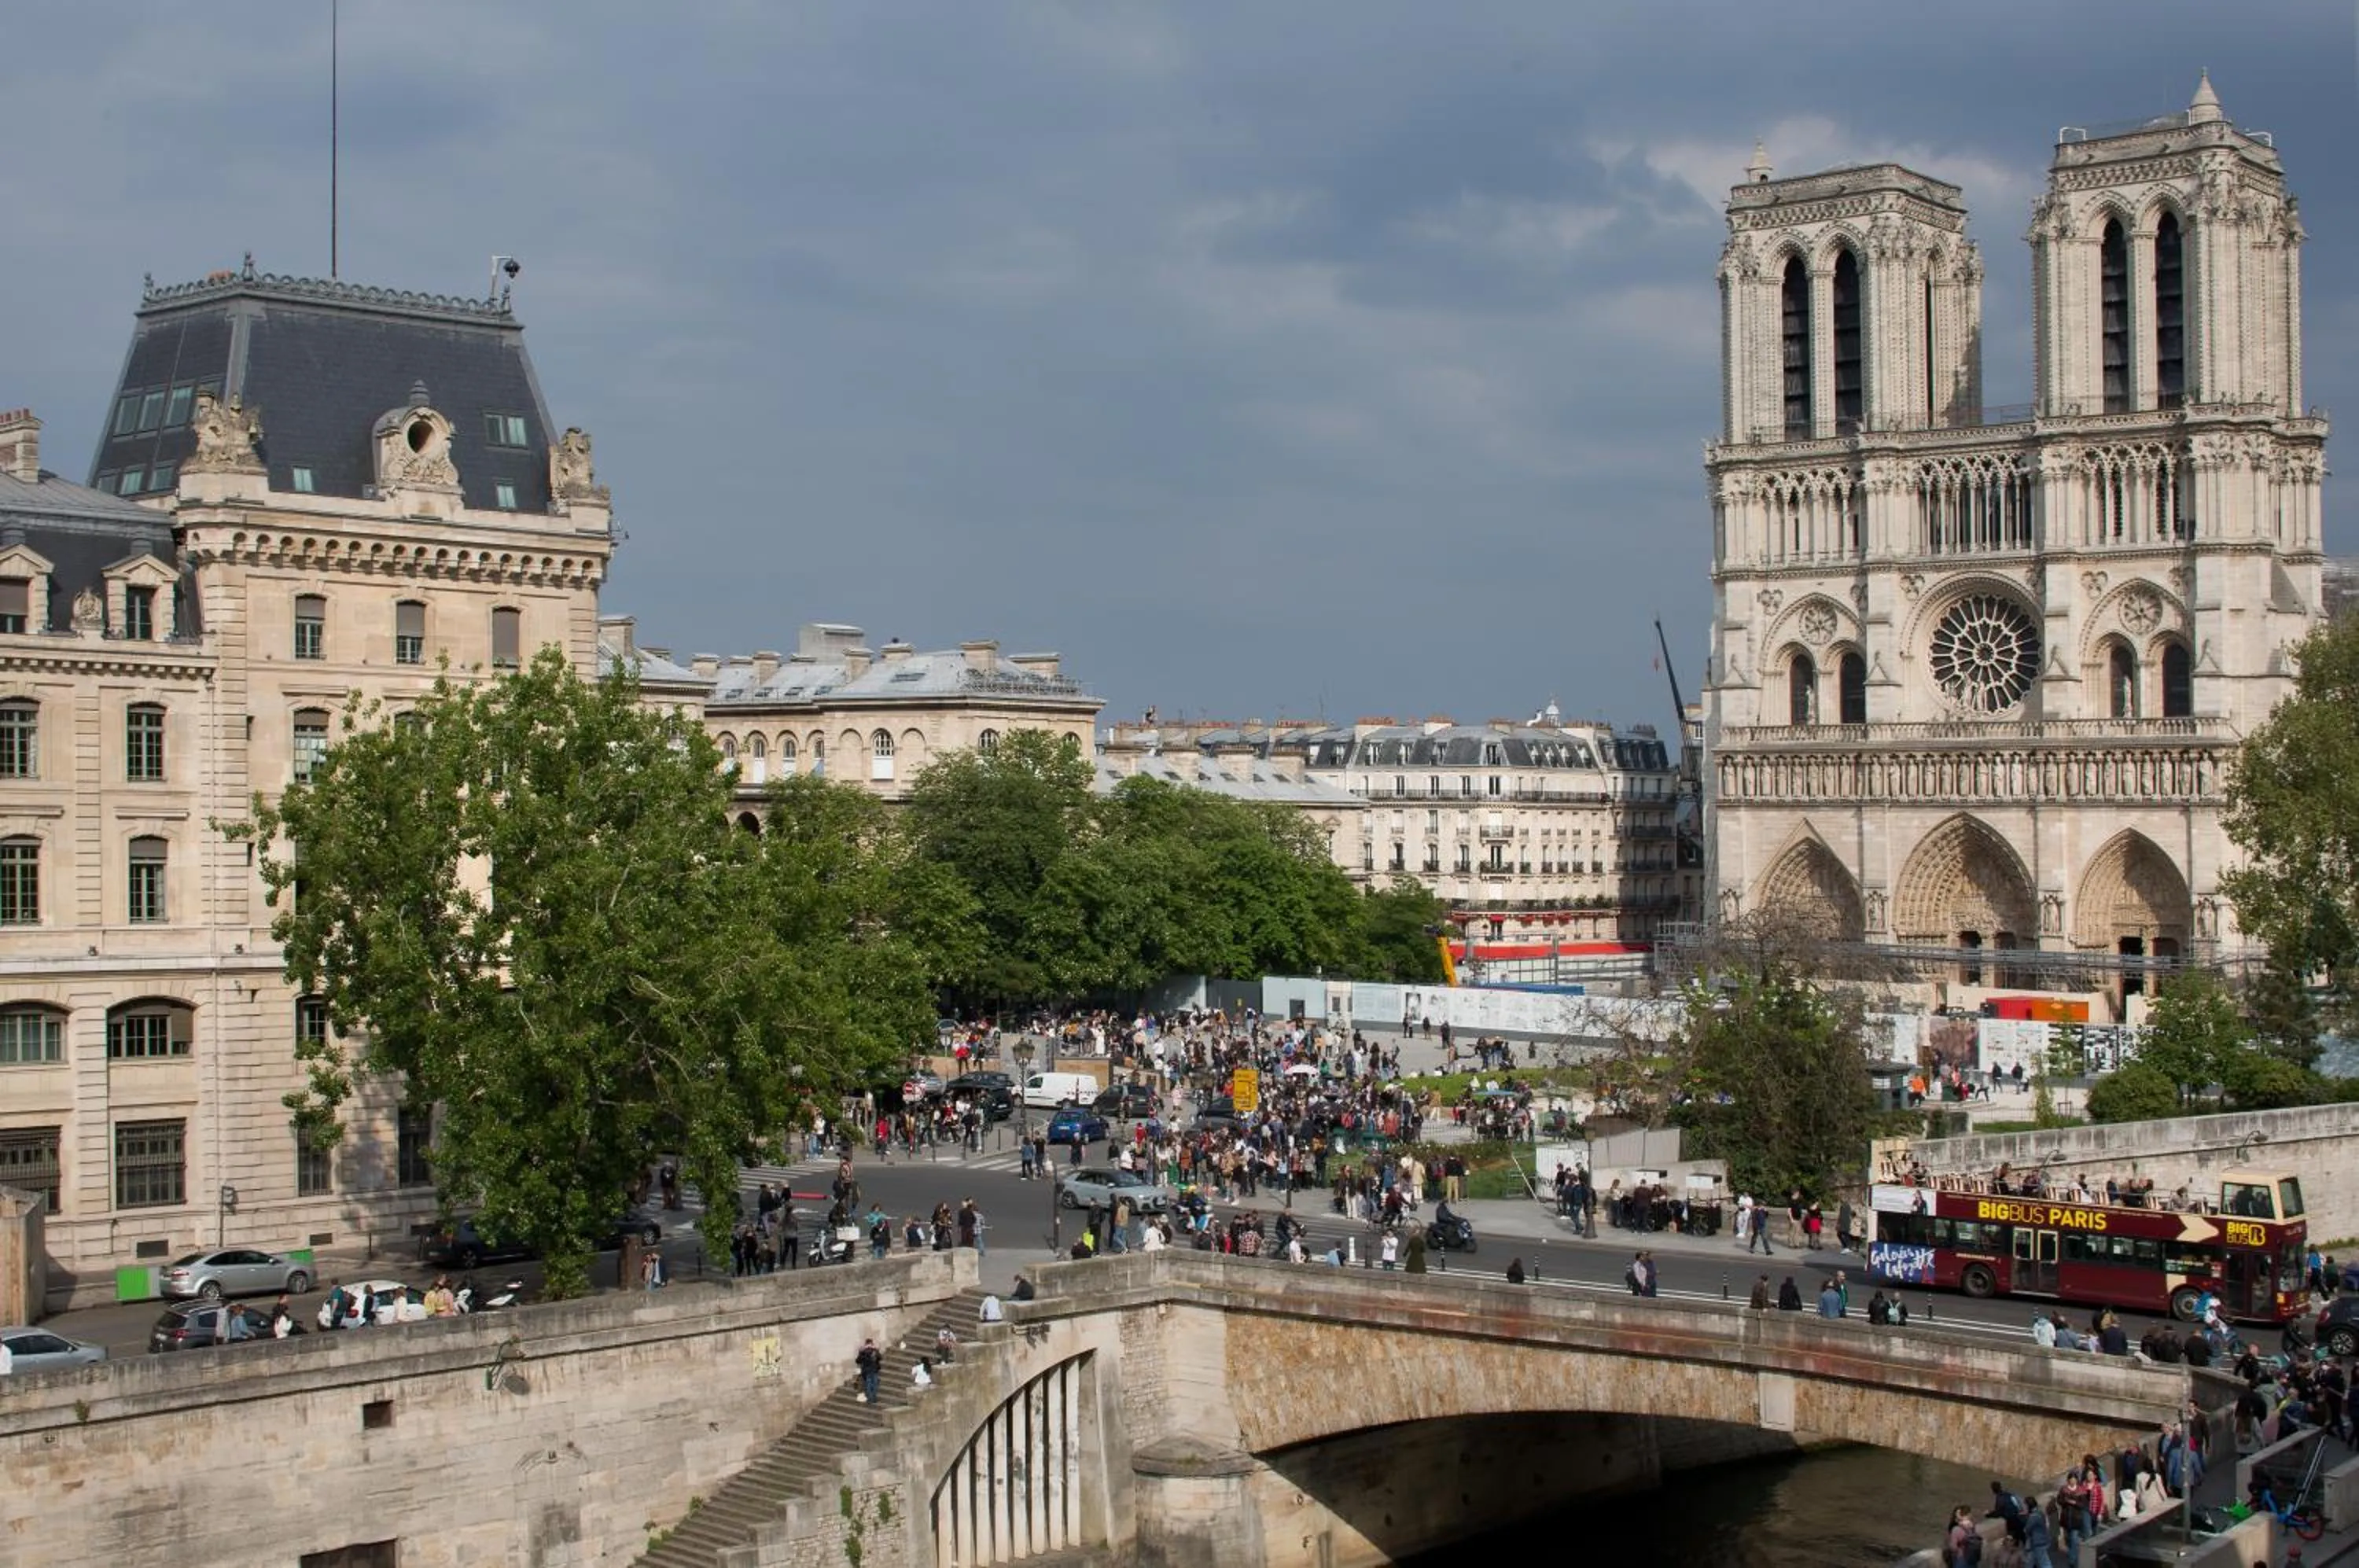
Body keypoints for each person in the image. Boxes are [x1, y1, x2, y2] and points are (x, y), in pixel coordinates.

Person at [856, 1338, 884, 1404]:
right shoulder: (874, 1351)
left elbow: (858, 1361)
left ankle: (871, 1398)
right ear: (872, 1343)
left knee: (869, 1384)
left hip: (866, 1371)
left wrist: (861, 1352)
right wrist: (877, 1350)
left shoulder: (863, 1351)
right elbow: (880, 1358)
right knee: (874, 1384)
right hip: (874, 1370)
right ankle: (873, 1398)